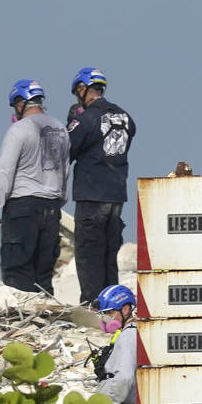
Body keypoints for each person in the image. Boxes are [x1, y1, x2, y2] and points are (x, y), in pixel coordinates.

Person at [0, 79, 70, 295]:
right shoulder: (60, 129)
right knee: (43, 274)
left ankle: (25, 321)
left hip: (22, 208)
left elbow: (5, 170)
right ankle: (45, 322)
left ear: (20, 103)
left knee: (17, 272)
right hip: (51, 209)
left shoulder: (19, 129)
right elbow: (65, 171)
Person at [67, 67, 136, 306]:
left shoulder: (85, 118)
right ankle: (113, 305)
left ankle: (92, 305)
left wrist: (71, 123)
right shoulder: (126, 117)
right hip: (116, 195)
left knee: (89, 254)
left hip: (91, 194)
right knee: (109, 255)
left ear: (83, 89)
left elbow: (67, 150)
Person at [93, 284, 137, 404]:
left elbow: (124, 379)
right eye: (104, 314)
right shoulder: (131, 331)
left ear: (125, 310)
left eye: (109, 313)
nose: (106, 319)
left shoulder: (128, 336)